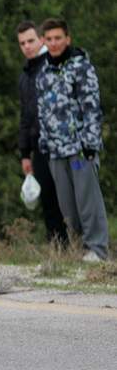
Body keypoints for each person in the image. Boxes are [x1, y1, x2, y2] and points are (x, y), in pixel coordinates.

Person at [37, 18, 109, 262]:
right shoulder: (43, 73)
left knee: (87, 201)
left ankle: (97, 249)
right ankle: (79, 251)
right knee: (67, 207)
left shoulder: (81, 67)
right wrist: (45, 144)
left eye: (58, 38)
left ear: (67, 39)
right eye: (49, 39)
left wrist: (90, 143)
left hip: (80, 151)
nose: (54, 43)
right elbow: (42, 112)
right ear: (44, 42)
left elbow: (92, 107)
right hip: (56, 151)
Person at [16, 21, 68, 245]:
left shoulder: (53, 65)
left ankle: (82, 244)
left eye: (31, 40)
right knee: (47, 197)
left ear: (41, 39)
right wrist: (25, 153)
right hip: (38, 146)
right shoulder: (25, 75)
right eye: (22, 43)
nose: (27, 46)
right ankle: (58, 247)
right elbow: (25, 117)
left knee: (67, 196)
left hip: (62, 144)